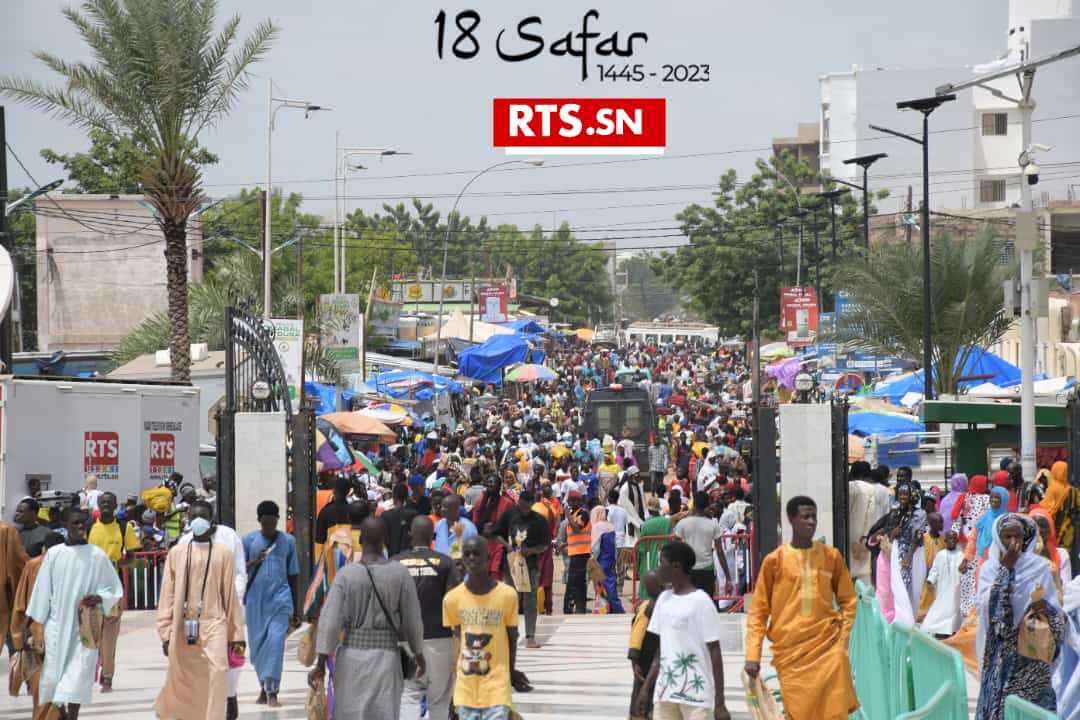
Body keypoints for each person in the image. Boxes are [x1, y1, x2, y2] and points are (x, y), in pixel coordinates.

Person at [745, 496, 858, 720]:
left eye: (814, 516)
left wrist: (841, 638)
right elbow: (758, 612)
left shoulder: (831, 557)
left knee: (834, 710)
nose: (811, 522)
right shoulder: (775, 560)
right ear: (791, 519)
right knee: (799, 712)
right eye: (805, 516)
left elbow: (849, 600)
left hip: (828, 648)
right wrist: (752, 655)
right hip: (791, 653)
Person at [310, 517, 426, 720]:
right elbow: (412, 620)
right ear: (385, 539)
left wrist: (320, 662)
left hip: (351, 660)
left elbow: (330, 623)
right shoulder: (400, 574)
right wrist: (418, 653)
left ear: (360, 539)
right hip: (387, 660)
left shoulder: (346, 575)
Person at [27, 506, 124, 720]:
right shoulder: (54, 554)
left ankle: (72, 716)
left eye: (83, 523)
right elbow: (42, 591)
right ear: (65, 525)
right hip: (57, 626)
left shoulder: (97, 555)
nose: (80, 527)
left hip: (86, 627)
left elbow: (114, 590)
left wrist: (100, 597)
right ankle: (63, 714)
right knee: (54, 676)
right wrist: (32, 624)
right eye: (75, 523)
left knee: (80, 674)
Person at [155, 500, 245, 719]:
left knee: (218, 671)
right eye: (194, 516)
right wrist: (165, 632)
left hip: (215, 620)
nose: (198, 521)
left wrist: (236, 635)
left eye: (202, 516)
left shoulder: (223, 552)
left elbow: (230, 596)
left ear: (211, 518)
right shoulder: (178, 552)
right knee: (185, 677)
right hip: (182, 623)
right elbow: (167, 594)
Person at [975, 513, 1066, 719]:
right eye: (1007, 537)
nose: (1013, 543)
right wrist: (1005, 572)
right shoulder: (990, 568)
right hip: (1000, 652)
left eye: (1018, 537)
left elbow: (1055, 611)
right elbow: (984, 606)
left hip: (1031, 652)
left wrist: (1043, 609)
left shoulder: (1039, 567)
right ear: (999, 538)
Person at [637, 540, 731, 720]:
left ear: (676, 566)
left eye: (661, 563)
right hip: (665, 693)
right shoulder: (663, 600)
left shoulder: (701, 601)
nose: (658, 569)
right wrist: (646, 689)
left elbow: (715, 652)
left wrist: (720, 703)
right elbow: (660, 652)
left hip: (696, 698)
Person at [442, 535, 531, 720]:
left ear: (488, 557)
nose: (472, 558)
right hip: (466, 689)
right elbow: (458, 642)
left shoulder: (507, 595)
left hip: (496, 687)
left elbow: (512, 636)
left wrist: (511, 671)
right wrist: (453, 689)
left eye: (477, 553)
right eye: (467, 554)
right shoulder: (452, 599)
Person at [395, 515, 461, 720]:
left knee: (408, 694)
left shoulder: (395, 563)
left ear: (409, 534)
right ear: (432, 535)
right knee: (439, 698)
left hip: (404, 640)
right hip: (438, 639)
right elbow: (455, 599)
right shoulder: (445, 563)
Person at [242, 500, 299, 706]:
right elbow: (240, 571)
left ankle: (273, 691)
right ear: (259, 521)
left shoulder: (288, 542)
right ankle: (262, 687)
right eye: (265, 522)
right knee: (258, 648)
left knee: (275, 643)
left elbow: (293, 574)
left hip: (280, 600)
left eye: (273, 521)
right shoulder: (248, 541)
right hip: (256, 602)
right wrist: (254, 561)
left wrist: (296, 606)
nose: (269, 526)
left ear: (277, 520)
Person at [86, 491, 140, 693]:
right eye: (103, 502)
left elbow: (132, 558)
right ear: (98, 505)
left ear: (116, 505)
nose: (107, 504)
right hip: (89, 587)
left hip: (112, 587)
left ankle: (107, 677)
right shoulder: (89, 526)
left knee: (109, 636)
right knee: (89, 634)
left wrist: (115, 562)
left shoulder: (124, 527)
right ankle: (88, 674)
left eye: (110, 502)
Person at [10, 531, 64, 719]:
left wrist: (18, 638)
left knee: (41, 690)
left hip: (35, 635)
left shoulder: (33, 565)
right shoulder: (64, 565)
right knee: (52, 689)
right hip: (53, 636)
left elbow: (20, 605)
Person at [494, 490, 550, 646]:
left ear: (532, 504)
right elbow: (497, 534)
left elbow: (545, 544)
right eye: (521, 506)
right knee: (511, 598)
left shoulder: (539, 520)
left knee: (530, 600)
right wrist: (508, 547)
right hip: (511, 565)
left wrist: (531, 551)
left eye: (527, 506)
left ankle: (530, 636)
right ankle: (508, 634)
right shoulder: (509, 514)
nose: (523, 509)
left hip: (530, 566)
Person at [674, 491, 732, 603]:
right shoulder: (713, 524)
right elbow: (720, 551)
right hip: (707, 570)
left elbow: (675, 548)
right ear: (707, 505)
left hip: (688, 570)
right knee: (706, 603)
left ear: (694, 504)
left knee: (689, 602)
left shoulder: (683, 523)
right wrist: (728, 578)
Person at [628, 570, 661, 720]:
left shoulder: (651, 605)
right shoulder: (648, 608)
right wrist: (634, 659)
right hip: (645, 659)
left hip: (653, 659)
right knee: (642, 691)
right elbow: (637, 632)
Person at [920, 529, 965, 638]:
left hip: (955, 587)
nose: (952, 541)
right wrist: (931, 579)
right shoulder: (940, 554)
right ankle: (938, 628)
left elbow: (964, 571)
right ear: (945, 541)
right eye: (950, 538)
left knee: (953, 609)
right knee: (940, 607)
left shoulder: (960, 554)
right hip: (943, 588)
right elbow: (935, 569)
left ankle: (950, 629)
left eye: (954, 538)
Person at [472, 474, 516, 580]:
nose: (490, 484)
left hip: (498, 544)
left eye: (493, 482)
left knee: (495, 575)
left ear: (499, 486)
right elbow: (475, 520)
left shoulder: (507, 503)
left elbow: (511, 525)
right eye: (489, 482)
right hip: (483, 543)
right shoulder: (481, 501)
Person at [1044, 461, 1080, 570]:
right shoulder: (1073, 491)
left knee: (1054, 556)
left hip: (1053, 529)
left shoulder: (1052, 488)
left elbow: (1046, 509)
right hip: (1069, 530)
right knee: (1067, 556)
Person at [590, 504, 625, 614]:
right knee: (610, 584)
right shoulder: (610, 526)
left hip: (600, 561)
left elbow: (595, 548)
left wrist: (592, 560)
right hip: (610, 560)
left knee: (602, 587)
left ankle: (611, 610)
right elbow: (614, 547)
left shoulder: (597, 527)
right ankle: (613, 609)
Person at [564, 489, 592, 614]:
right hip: (575, 552)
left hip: (582, 553)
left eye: (576, 500)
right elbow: (575, 536)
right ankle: (575, 607)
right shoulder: (574, 514)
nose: (574, 503)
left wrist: (567, 515)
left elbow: (577, 529)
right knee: (575, 581)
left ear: (580, 501)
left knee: (577, 581)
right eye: (571, 501)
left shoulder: (583, 513)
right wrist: (564, 544)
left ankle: (578, 607)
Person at [316, 476, 354, 560]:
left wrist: (318, 563)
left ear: (334, 491)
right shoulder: (353, 511)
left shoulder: (325, 512)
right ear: (348, 492)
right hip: (350, 557)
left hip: (330, 560)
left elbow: (319, 541)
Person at [434, 493, 477, 560]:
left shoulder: (468, 527)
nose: (442, 509)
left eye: (445, 507)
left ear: (456, 509)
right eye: (442, 506)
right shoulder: (440, 524)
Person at [382, 482, 420, 558]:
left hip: (392, 558)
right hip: (410, 557)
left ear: (393, 496)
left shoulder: (385, 515)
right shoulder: (414, 514)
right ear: (407, 496)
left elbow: (384, 539)